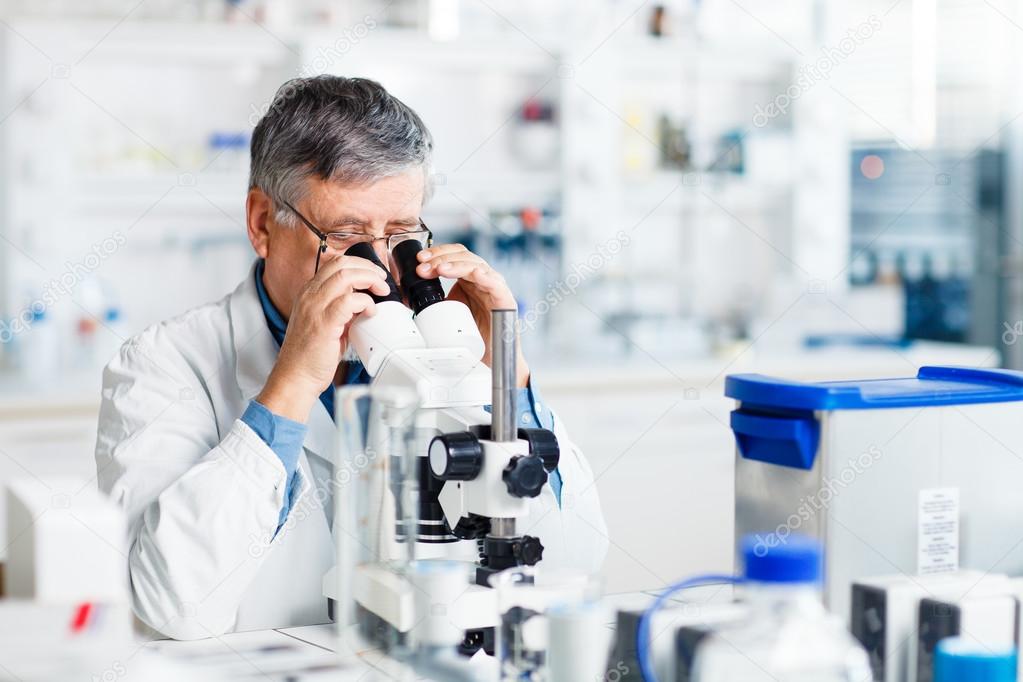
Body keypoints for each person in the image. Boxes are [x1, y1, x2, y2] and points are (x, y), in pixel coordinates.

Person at [94, 75, 608, 640]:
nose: (385, 267)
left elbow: (573, 561)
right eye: (347, 236)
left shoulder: (439, 356)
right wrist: (290, 387)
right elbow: (170, 607)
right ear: (263, 223)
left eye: (403, 233)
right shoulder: (164, 364)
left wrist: (504, 378)